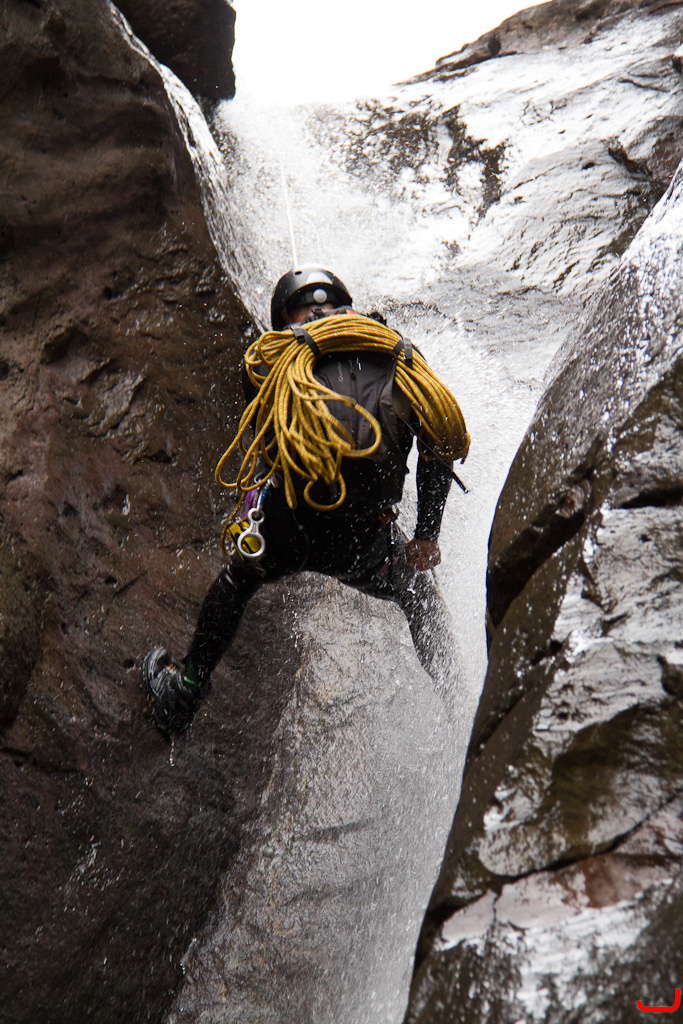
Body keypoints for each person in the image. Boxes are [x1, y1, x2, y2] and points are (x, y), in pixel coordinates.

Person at [143, 265, 469, 736]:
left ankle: (185, 691)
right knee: (419, 595)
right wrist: (425, 535)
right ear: (347, 308)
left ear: (286, 318)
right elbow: (440, 443)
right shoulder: (401, 357)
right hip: (367, 537)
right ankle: (462, 710)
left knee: (238, 579)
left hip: (290, 526)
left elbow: (266, 439)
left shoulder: (272, 358)